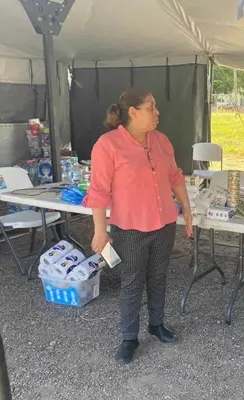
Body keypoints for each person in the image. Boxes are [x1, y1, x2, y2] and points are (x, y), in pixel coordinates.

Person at [85, 88, 193, 365]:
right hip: (130, 228)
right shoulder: (108, 144)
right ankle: (129, 338)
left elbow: (174, 176)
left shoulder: (161, 140)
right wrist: (100, 230)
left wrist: (187, 209)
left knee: (158, 276)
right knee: (132, 282)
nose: (157, 113)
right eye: (151, 107)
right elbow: (98, 191)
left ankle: (156, 324)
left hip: (164, 224)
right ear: (133, 112)